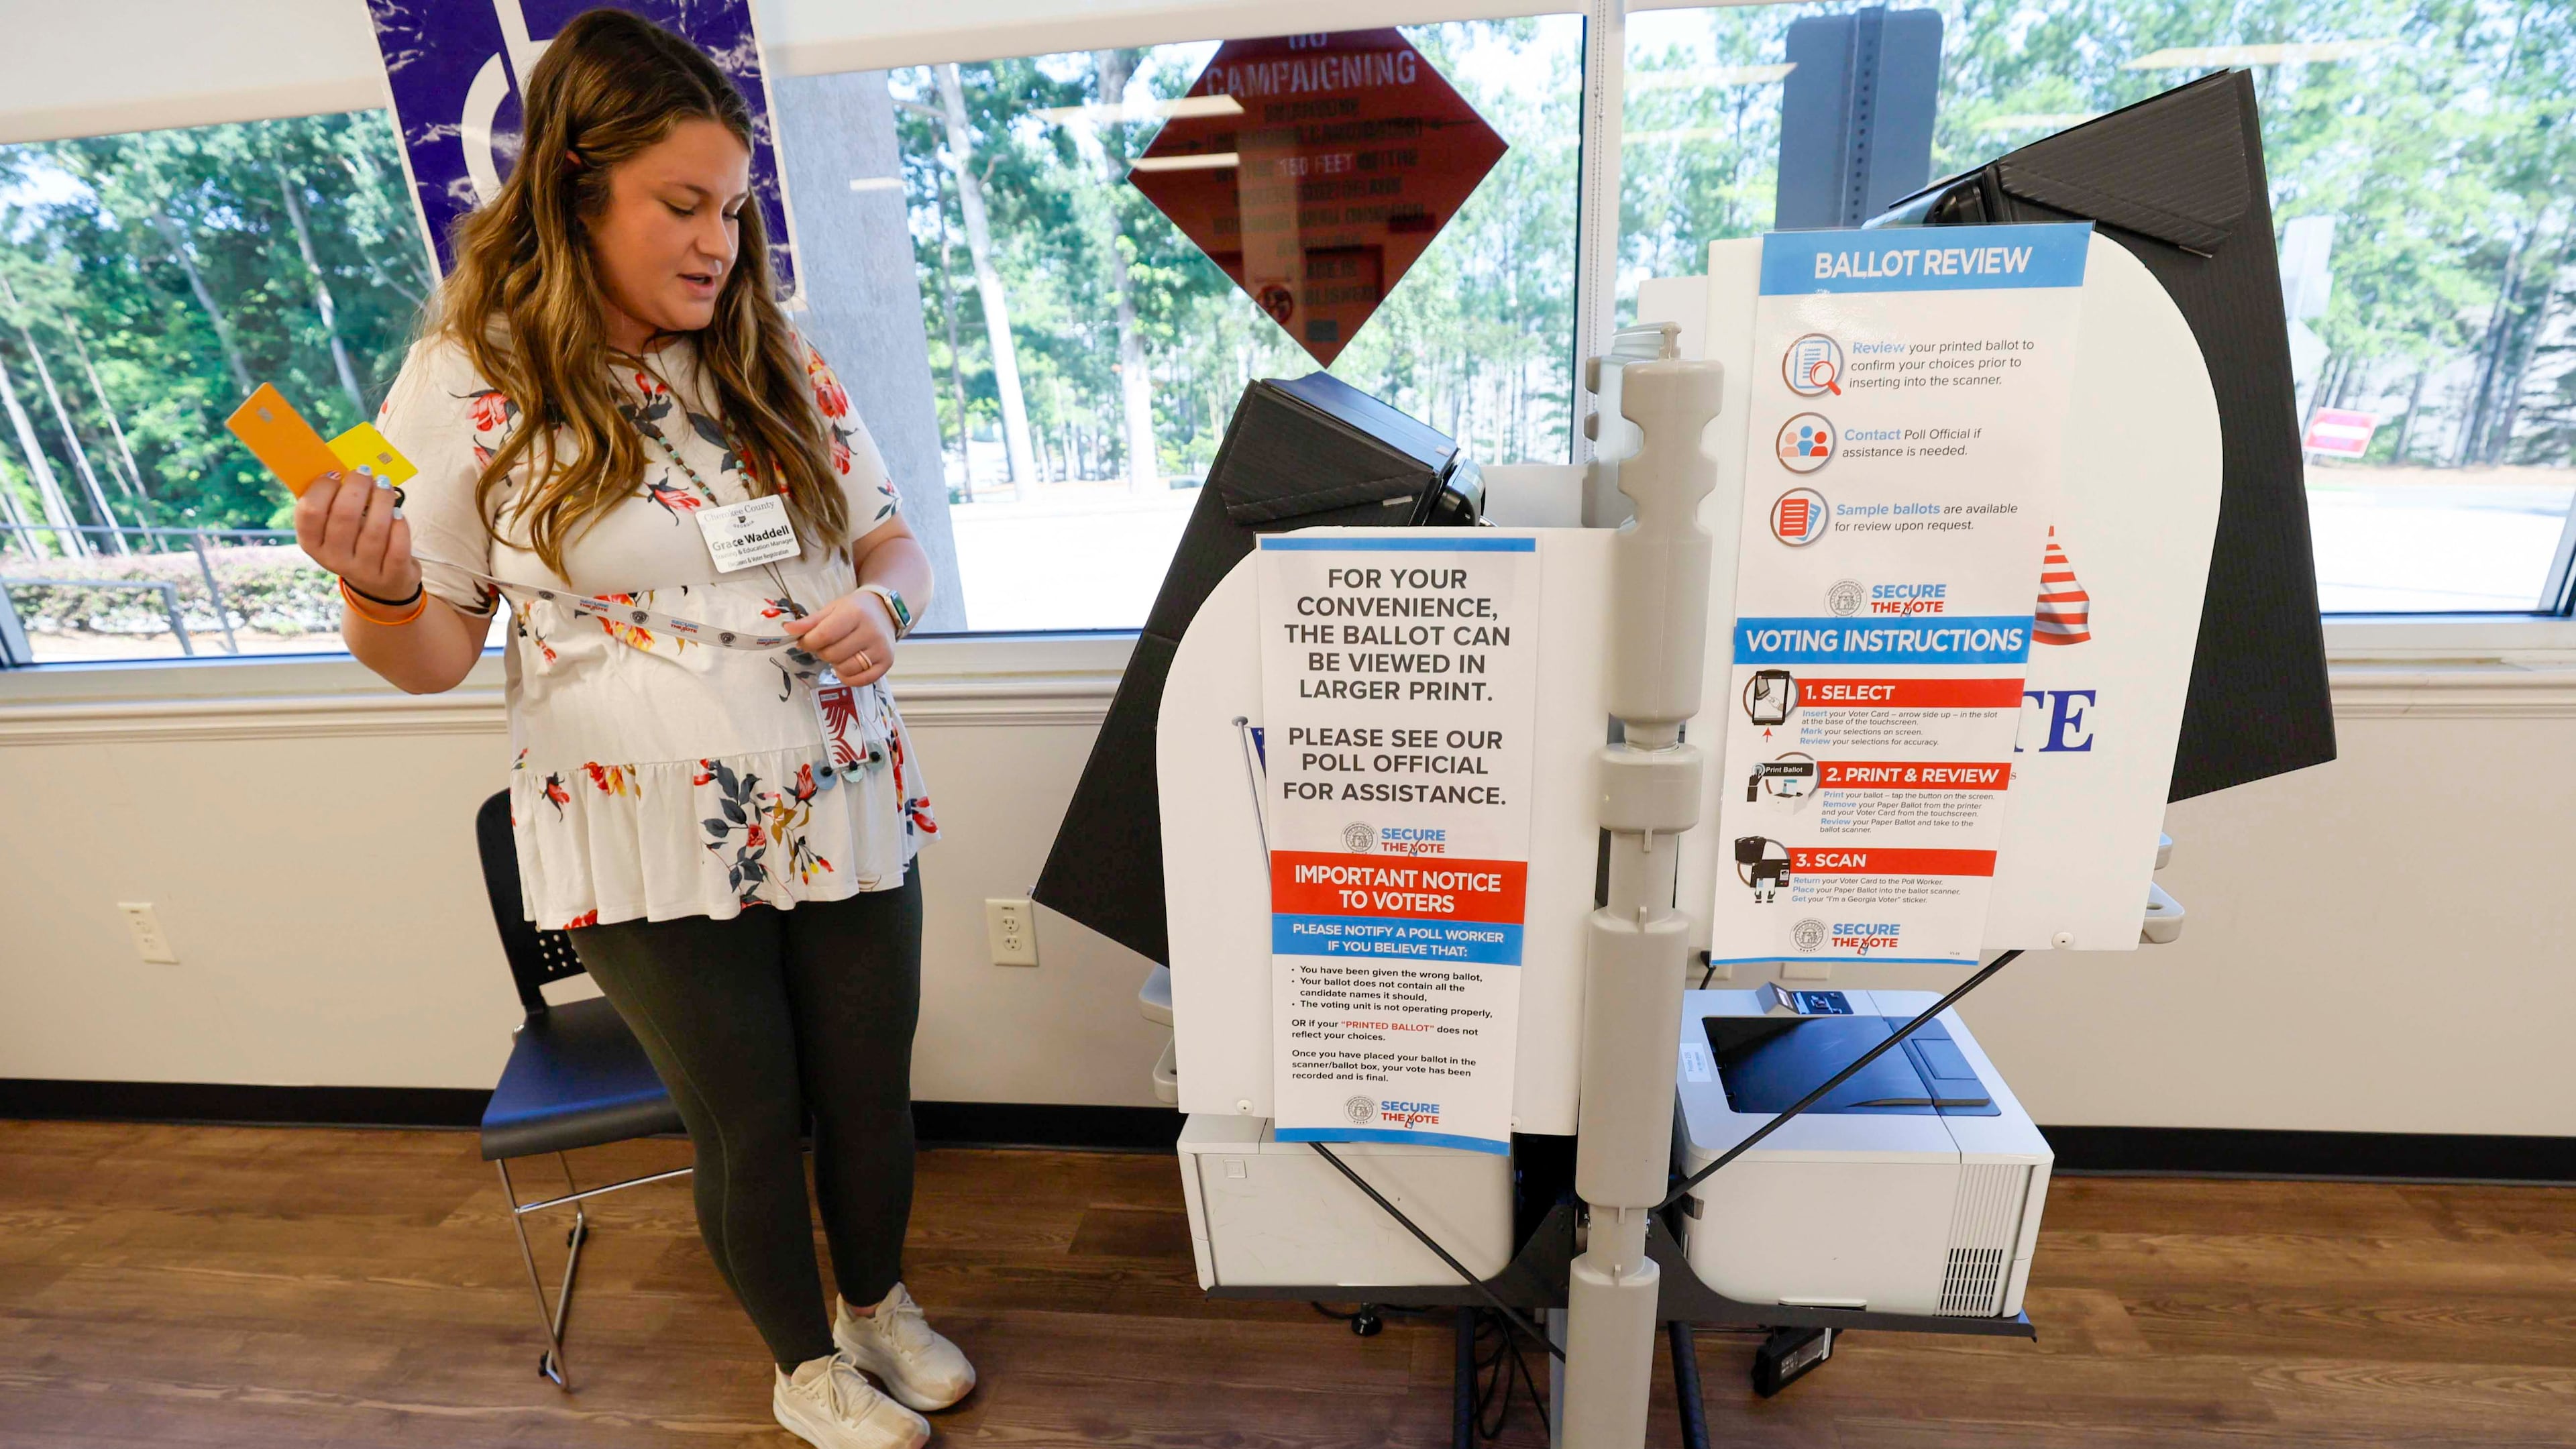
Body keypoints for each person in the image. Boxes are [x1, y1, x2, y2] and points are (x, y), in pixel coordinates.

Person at [290, 12, 967, 1448]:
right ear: (575, 188)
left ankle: (880, 1302)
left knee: (868, 1096)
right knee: (746, 1118)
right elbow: (426, 653)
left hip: (842, 784)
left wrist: (890, 612)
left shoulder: (771, 352)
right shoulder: (453, 384)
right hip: (637, 822)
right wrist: (371, 577)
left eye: (730, 207)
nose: (719, 239)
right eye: (681, 205)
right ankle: (805, 1364)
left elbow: (894, 539)